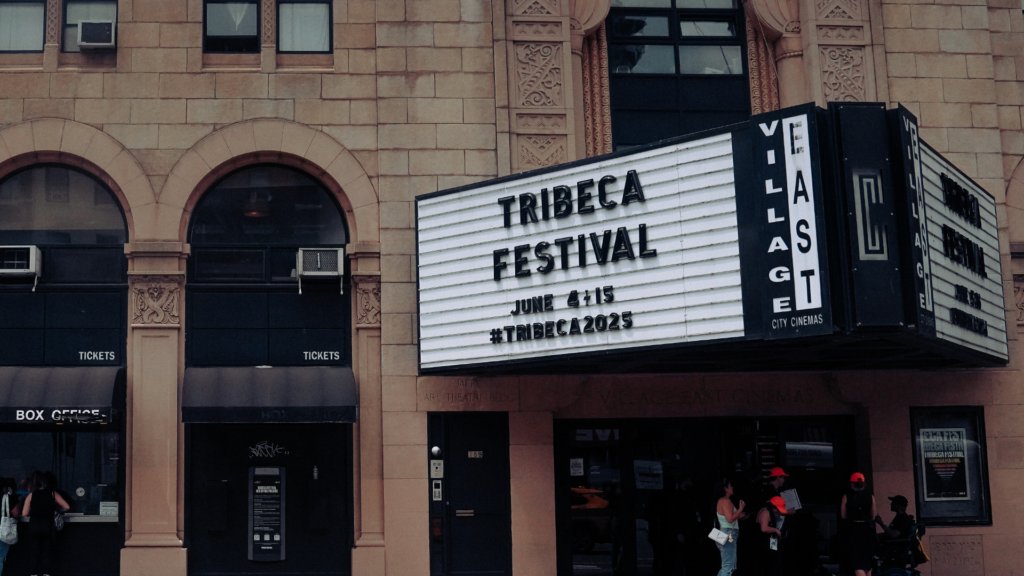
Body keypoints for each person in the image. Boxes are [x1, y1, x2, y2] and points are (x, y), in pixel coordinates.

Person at [22, 471, 70, 576]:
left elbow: (24, 513)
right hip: (48, 527)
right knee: (47, 552)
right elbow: (67, 507)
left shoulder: (31, 495)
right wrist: (57, 510)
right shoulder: (53, 494)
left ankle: (34, 574)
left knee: (35, 552)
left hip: (34, 527)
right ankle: (46, 574)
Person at [840, 472, 876, 576]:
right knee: (867, 562)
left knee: (857, 562)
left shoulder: (847, 496)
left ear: (852, 483)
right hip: (866, 530)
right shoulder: (871, 497)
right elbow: (873, 516)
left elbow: (843, 516)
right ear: (863, 483)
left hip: (853, 530)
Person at [713, 478, 746, 576]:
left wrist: (739, 515)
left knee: (728, 565)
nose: (732, 487)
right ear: (725, 488)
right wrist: (740, 509)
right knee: (728, 566)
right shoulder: (725, 501)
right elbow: (730, 519)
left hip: (724, 532)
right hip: (728, 533)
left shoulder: (722, 501)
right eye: (730, 486)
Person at [756, 496, 787, 576]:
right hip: (764, 543)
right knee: (770, 564)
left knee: (775, 561)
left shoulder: (771, 512)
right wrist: (775, 530)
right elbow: (764, 528)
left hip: (771, 542)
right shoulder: (765, 512)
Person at [0, 478, 18, 576]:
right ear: (4, 488)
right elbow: (16, 513)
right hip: (3, 531)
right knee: (0, 557)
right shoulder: (8, 498)